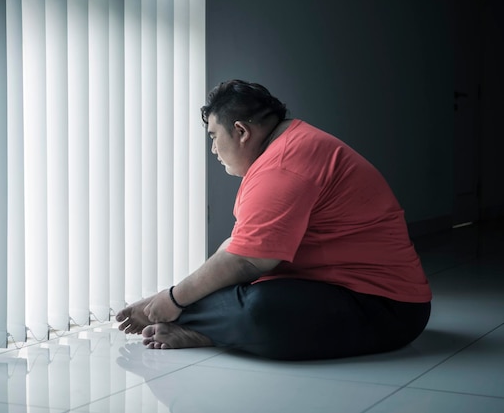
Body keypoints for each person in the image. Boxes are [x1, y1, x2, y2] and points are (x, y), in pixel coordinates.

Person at [116, 79, 432, 360]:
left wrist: (172, 300)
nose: (213, 149)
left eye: (214, 136)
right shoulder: (288, 148)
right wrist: (171, 296)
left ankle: (197, 325)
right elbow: (238, 247)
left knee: (262, 310)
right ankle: (207, 326)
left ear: (240, 131)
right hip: (330, 289)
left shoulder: (284, 164)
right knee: (241, 293)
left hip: (386, 308)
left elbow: (247, 261)